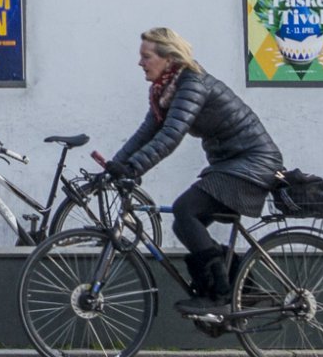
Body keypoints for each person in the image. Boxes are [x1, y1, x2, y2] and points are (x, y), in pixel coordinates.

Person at [99, 26, 283, 311]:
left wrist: (133, 168)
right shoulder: (166, 91)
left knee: (185, 210)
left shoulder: (192, 84)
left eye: (146, 56)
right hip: (231, 163)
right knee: (184, 224)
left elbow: (170, 135)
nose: (140, 63)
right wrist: (115, 166)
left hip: (252, 163)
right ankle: (244, 288)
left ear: (169, 58)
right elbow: (146, 132)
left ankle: (220, 295)